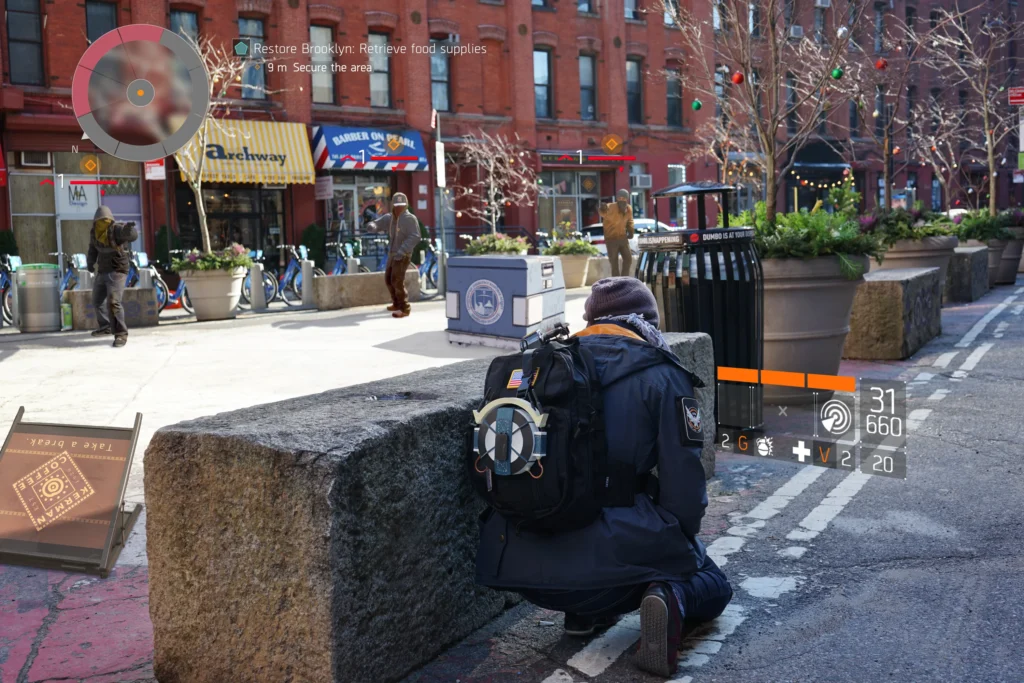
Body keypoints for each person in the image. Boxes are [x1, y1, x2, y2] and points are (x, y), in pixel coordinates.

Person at [475, 277, 733, 678]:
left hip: (522, 568)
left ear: (591, 319)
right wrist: (680, 547)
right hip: (614, 570)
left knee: (581, 510)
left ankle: (581, 615)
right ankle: (669, 596)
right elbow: (684, 489)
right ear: (648, 321)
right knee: (710, 580)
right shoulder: (661, 373)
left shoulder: (545, 366)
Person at [86, 206, 139, 347]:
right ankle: (106, 326)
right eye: (99, 221)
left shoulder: (116, 230)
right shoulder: (95, 233)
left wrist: (129, 231)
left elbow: (130, 235)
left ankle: (121, 334)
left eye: (105, 220)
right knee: (97, 300)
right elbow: (92, 249)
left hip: (117, 270)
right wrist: (90, 263)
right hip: (103, 270)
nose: (102, 223)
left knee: (113, 302)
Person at [367, 192, 419, 318]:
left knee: (397, 280)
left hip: (403, 254)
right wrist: (372, 226)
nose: (399, 208)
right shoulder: (389, 218)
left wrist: (402, 250)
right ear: (393, 206)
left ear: (405, 205)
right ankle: (396, 302)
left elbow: (415, 236)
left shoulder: (410, 219)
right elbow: (378, 223)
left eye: (401, 205)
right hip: (392, 253)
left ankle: (404, 307)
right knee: (388, 279)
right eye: (397, 205)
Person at [599, 189, 635, 277]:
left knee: (628, 259)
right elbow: (602, 213)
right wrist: (601, 209)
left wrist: (630, 230)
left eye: (624, 198)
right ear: (617, 198)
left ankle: (624, 279)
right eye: (620, 198)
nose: (622, 200)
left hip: (622, 238)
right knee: (614, 262)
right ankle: (616, 282)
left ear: (627, 199)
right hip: (611, 239)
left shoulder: (628, 208)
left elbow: (630, 221)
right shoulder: (610, 207)